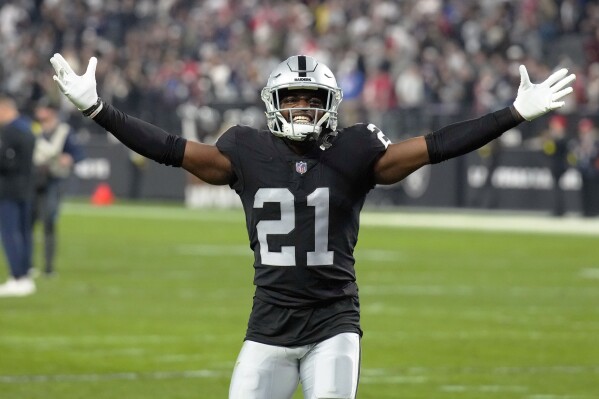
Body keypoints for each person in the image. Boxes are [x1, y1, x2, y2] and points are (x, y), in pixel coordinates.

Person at [50, 53, 576, 398]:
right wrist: (98, 109)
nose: (301, 107)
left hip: (332, 324)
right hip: (268, 328)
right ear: (273, 104)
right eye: (292, 98)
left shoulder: (356, 149)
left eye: (311, 98)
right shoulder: (244, 149)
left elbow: (435, 147)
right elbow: (167, 149)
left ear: (330, 105)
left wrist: (513, 113)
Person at [32, 99, 86, 276]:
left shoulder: (63, 131)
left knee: (49, 220)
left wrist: (69, 158)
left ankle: (48, 267)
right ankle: (28, 264)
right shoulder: (34, 129)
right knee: (28, 222)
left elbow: (77, 154)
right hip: (33, 179)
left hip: (53, 179)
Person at [0, 95, 36, 297]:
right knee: (24, 233)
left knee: (9, 233)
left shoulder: (9, 131)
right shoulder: (28, 128)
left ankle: (17, 277)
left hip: (8, 190)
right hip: (26, 188)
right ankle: (25, 274)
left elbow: (5, 161)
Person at [541, 114, 571, 216]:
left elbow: (560, 150)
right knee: (556, 188)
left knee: (559, 189)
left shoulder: (563, 138)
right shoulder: (555, 138)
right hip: (555, 165)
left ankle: (560, 210)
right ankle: (557, 209)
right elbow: (548, 152)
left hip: (561, 166)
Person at [572, 118, 599, 217]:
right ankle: (586, 210)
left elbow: (594, 155)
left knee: (594, 192)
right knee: (584, 192)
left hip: (594, 171)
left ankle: (594, 211)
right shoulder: (578, 142)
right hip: (583, 170)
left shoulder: (595, 141)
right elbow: (576, 155)